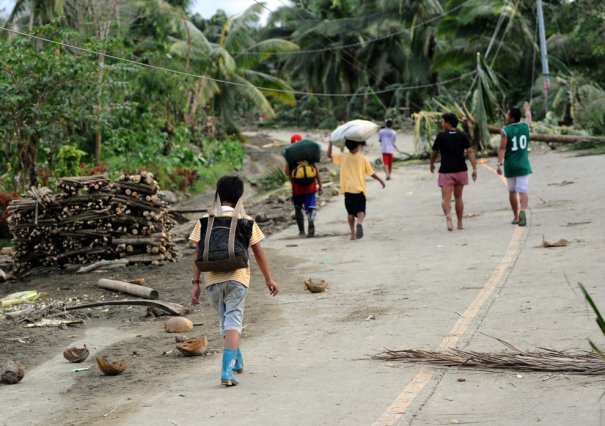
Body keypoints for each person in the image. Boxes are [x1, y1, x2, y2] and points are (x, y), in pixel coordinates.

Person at [189, 176, 279, 387]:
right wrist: (269, 279)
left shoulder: (205, 219)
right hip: (237, 279)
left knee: (226, 323)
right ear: (240, 196)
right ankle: (227, 371)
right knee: (233, 324)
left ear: (218, 196)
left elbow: (196, 254)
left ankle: (236, 360)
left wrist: (195, 283)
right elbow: (258, 253)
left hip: (212, 281)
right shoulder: (246, 221)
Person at [327, 139, 385, 240]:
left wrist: (330, 143)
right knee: (361, 210)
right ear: (357, 146)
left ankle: (353, 234)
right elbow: (371, 172)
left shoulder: (342, 156)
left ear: (347, 146)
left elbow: (329, 155)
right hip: (359, 188)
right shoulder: (362, 158)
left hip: (347, 189)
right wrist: (380, 180)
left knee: (350, 213)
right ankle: (360, 223)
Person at [429, 112, 478, 231]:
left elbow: (434, 153)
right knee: (458, 198)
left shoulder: (441, 136)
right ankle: (460, 223)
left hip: (446, 172)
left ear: (448, 124)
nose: (441, 124)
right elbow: (470, 152)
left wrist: (431, 164)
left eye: (442, 122)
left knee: (445, 199)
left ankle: (449, 218)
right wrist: (474, 168)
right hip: (461, 171)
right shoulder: (463, 135)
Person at [498, 102, 533, 226]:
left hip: (510, 165)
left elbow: (502, 148)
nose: (506, 117)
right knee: (523, 190)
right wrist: (527, 109)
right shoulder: (525, 127)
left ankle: (516, 216)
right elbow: (529, 118)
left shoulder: (506, 131)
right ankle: (523, 210)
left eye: (508, 115)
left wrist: (499, 164)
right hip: (523, 165)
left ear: (512, 118)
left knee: (512, 191)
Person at [285, 134, 323, 237]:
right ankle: (310, 219)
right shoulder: (309, 154)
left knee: (298, 208)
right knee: (310, 207)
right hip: (310, 187)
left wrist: (288, 162)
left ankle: (301, 231)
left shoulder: (290, 156)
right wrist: (320, 185)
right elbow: (316, 171)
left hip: (297, 188)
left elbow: (286, 172)